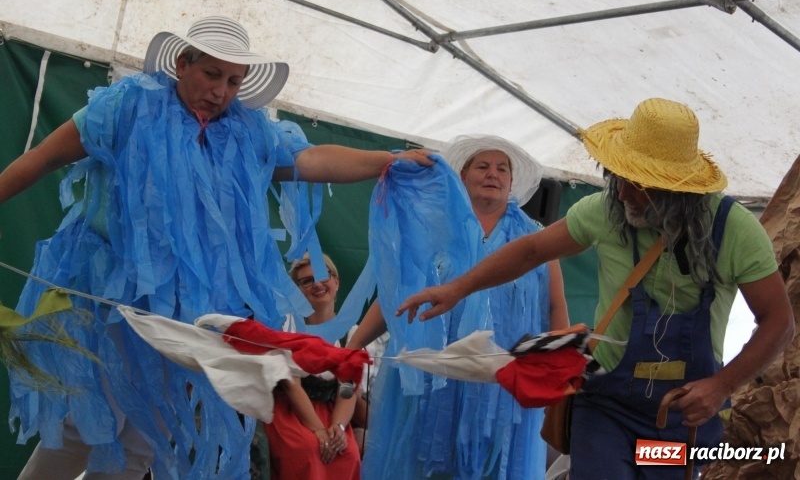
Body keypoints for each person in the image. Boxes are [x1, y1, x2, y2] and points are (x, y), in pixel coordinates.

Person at [0, 16, 432, 479]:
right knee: (87, 424)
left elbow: (313, 158)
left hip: (193, 308)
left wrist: (388, 160)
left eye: (233, 81)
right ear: (183, 64)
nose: (221, 91)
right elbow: (41, 159)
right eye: (211, 75)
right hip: (117, 297)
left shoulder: (249, 133)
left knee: (147, 434)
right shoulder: (125, 107)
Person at [398, 98, 795, 480]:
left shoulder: (736, 230)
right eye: (619, 178)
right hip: (607, 402)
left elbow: (778, 322)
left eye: (639, 185)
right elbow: (532, 250)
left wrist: (722, 385)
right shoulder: (607, 209)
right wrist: (457, 288)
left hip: (682, 415)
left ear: (679, 188)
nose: (622, 193)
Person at [348, 135, 568, 479]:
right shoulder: (433, 230)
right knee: (424, 461)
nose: (492, 174)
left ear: (512, 182)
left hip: (501, 384)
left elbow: (555, 306)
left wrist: (558, 362)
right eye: (482, 166)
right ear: (462, 177)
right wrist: (351, 346)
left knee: (495, 464)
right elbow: (395, 297)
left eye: (502, 168)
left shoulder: (535, 241)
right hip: (436, 376)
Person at [265, 254, 361, 480]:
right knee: (307, 449)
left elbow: (348, 388)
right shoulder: (288, 326)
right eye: (306, 281)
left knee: (348, 453)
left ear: (336, 281)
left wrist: (337, 427)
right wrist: (318, 430)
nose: (317, 284)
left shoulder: (352, 334)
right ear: (297, 292)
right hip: (291, 411)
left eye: (322, 275)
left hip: (333, 412)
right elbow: (291, 385)